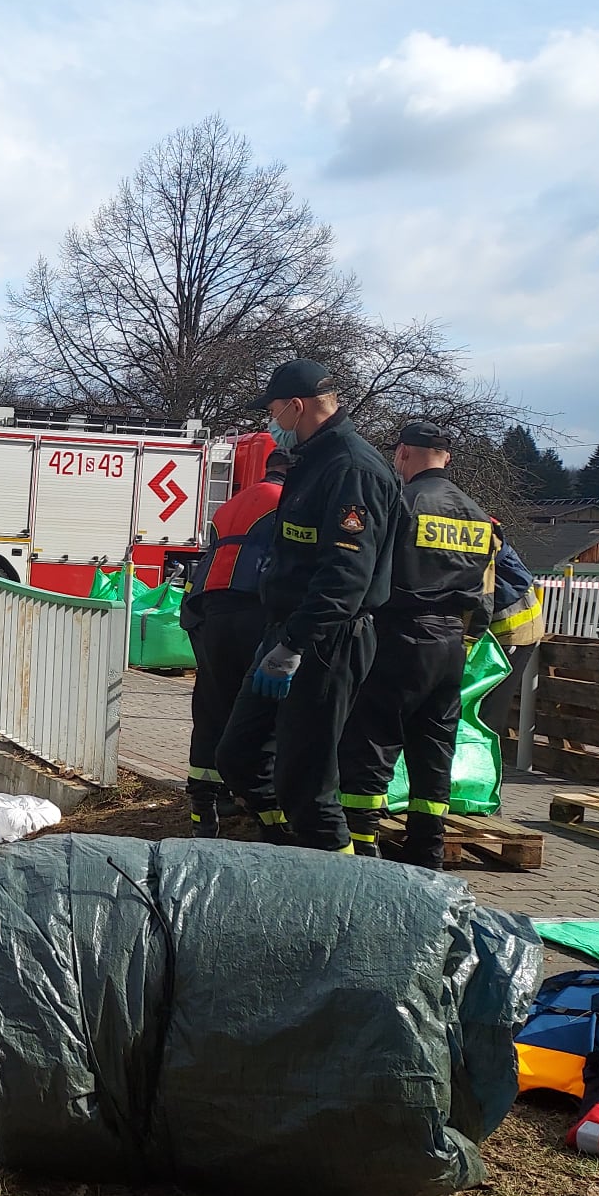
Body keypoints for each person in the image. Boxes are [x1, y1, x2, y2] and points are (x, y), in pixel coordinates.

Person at [216, 359, 401, 853]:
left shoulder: (351, 469)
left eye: (274, 412)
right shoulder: (316, 462)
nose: (270, 424)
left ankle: (339, 892)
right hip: (286, 632)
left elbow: (346, 574)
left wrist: (295, 644)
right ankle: (284, 844)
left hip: (324, 642)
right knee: (238, 755)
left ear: (297, 407)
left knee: (309, 781)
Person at [334, 422, 496, 867]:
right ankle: (427, 851)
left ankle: (361, 845)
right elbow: (486, 595)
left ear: (403, 453)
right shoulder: (478, 515)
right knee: (435, 747)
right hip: (451, 644)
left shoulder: (402, 503)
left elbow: (369, 569)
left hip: (399, 635)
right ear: (446, 457)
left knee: (371, 739)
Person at [181, 445, 294, 841]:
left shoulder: (230, 505)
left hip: (210, 612)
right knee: (263, 709)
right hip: (254, 611)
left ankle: (204, 811)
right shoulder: (288, 501)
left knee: (211, 709)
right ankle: (269, 814)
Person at [477, 532, 546, 745]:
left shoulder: (476, 536)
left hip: (513, 630)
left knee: (488, 710)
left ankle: (482, 768)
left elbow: (481, 597)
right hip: (492, 631)